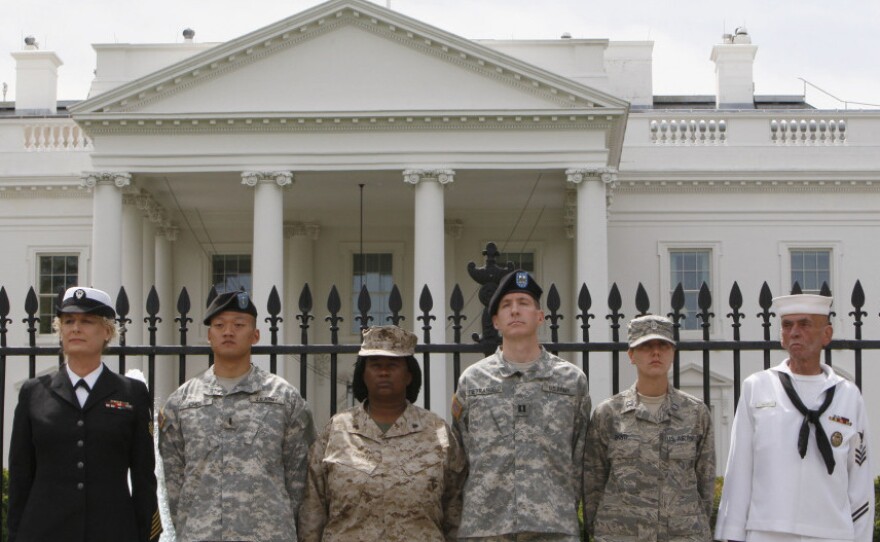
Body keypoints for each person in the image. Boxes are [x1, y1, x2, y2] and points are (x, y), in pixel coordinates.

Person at [159, 289, 316, 542]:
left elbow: (299, 481)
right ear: (209, 335)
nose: (228, 331)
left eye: (239, 325)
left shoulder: (285, 398)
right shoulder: (182, 402)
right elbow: (173, 483)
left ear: (255, 335)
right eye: (219, 325)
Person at [715, 294, 874, 542]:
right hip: (767, 530)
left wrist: (861, 537)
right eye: (787, 325)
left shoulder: (848, 395)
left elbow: (860, 477)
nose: (795, 332)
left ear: (827, 334)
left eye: (805, 324)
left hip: (831, 532)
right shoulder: (757, 386)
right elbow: (739, 468)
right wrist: (731, 535)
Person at [7, 286, 162, 542]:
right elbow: (20, 475)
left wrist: (147, 534)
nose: (75, 328)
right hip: (44, 531)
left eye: (87, 321)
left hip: (112, 531)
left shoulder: (131, 393)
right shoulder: (33, 393)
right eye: (68, 321)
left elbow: (144, 476)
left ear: (107, 331)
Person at [452, 270, 591, 541]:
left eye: (524, 303)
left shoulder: (572, 381)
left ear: (540, 316)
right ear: (495, 321)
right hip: (486, 528)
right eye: (506, 305)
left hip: (553, 528)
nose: (515, 311)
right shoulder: (472, 381)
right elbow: (460, 458)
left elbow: (581, 456)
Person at [299, 325, 466, 541]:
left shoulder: (437, 432)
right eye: (375, 365)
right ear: (363, 375)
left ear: (409, 375)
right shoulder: (336, 431)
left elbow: (455, 511)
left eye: (393, 364)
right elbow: (313, 510)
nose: (384, 371)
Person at [583, 314, 714, 541]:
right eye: (645, 346)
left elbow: (705, 484)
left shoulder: (695, 413)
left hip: (682, 535)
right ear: (631, 355)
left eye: (663, 345)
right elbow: (593, 484)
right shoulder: (608, 414)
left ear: (672, 353)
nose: (655, 353)